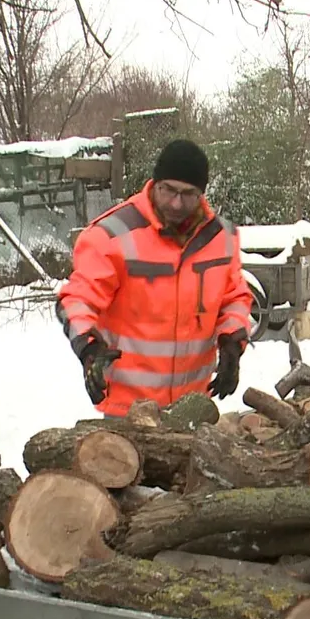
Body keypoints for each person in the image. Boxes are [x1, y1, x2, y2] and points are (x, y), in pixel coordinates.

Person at [56, 139, 254, 416]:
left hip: (191, 409)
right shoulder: (112, 236)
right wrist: (89, 350)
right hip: (128, 409)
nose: (176, 202)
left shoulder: (222, 238)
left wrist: (232, 344)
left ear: (201, 194)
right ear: (154, 183)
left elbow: (235, 298)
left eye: (188, 194)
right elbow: (76, 300)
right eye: (168, 190)